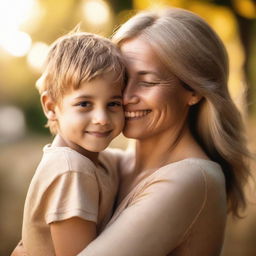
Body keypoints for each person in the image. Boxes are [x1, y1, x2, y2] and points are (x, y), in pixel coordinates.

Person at [11, 7, 251, 256]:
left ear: (193, 91)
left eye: (147, 82)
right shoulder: (105, 164)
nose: (125, 97)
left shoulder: (192, 178)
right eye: (122, 80)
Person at [19, 31, 126, 256]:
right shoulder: (71, 169)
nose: (102, 118)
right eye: (85, 103)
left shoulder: (95, 159)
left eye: (113, 103)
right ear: (50, 107)